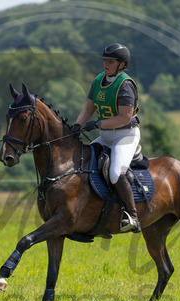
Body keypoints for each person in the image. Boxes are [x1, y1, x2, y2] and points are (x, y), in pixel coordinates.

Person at [73, 43, 142, 233]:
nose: (106, 64)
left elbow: (124, 117)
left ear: (122, 64)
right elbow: (89, 108)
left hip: (125, 135)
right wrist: (77, 126)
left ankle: (133, 215)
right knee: (82, 161)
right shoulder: (98, 81)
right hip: (105, 135)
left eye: (111, 61)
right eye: (105, 61)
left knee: (115, 173)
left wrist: (98, 124)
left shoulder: (125, 85)